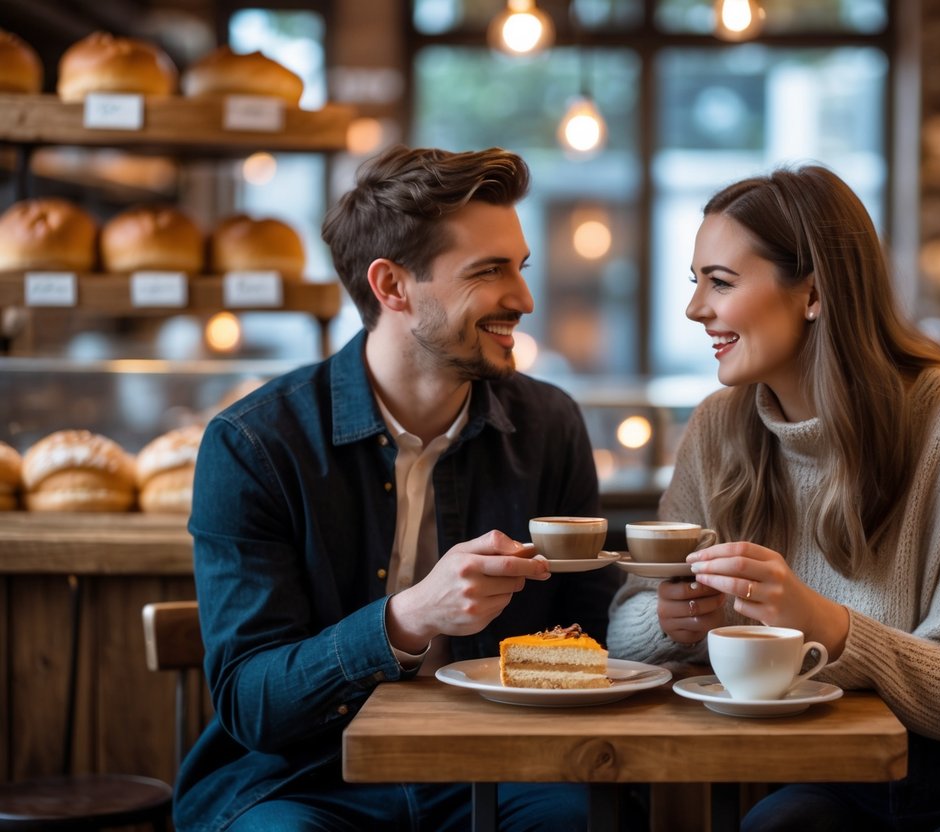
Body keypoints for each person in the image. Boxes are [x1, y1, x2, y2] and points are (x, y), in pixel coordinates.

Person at [607, 165, 940, 831]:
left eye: (719, 282)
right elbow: (623, 634)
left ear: (812, 292)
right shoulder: (717, 427)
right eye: (696, 283)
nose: (694, 309)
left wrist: (823, 623)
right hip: (839, 766)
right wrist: (672, 619)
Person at [177, 145, 619, 832]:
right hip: (307, 776)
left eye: (520, 268)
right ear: (392, 287)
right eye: (489, 271)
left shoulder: (548, 425)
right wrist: (407, 618)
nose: (524, 299)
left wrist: (652, 626)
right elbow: (251, 702)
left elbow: (593, 635)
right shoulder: (254, 443)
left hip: (499, 767)